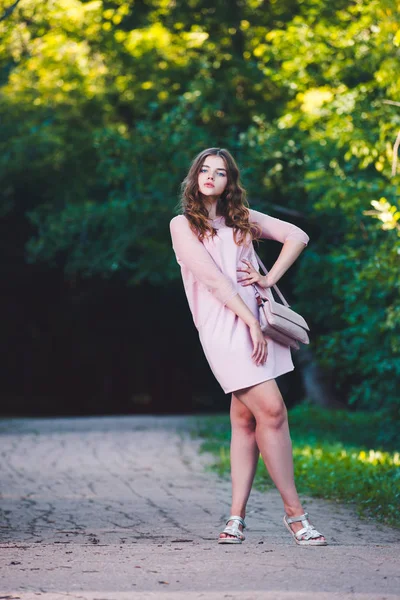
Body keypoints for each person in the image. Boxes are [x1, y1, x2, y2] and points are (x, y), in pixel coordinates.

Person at [169, 148, 327, 547]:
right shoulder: (182, 225)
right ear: (194, 176)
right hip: (225, 326)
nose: (210, 176)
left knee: (245, 419)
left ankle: (235, 518)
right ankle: (296, 516)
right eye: (204, 169)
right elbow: (216, 283)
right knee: (272, 410)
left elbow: (298, 236)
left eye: (219, 172)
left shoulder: (241, 220)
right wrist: (251, 323)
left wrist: (266, 275)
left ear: (229, 182)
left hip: (256, 321)